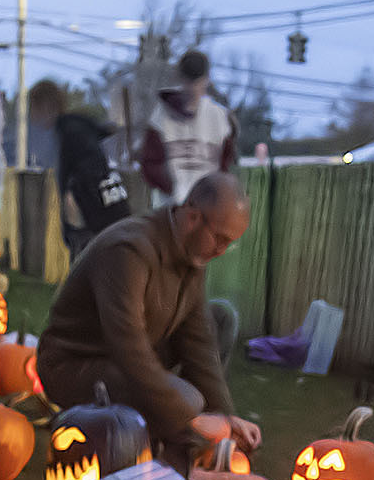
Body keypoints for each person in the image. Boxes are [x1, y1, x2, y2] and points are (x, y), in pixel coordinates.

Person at [39, 172, 261, 462]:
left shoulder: (193, 252)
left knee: (220, 319)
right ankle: (176, 436)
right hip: (76, 366)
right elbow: (128, 349)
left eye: (228, 243)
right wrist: (189, 417)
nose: (221, 251)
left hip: (131, 357)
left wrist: (225, 414)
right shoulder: (128, 251)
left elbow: (198, 340)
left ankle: (186, 432)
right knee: (187, 401)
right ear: (193, 217)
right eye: (219, 239)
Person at [30, 77, 128, 254]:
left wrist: (73, 204)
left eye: (34, 109)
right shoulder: (80, 127)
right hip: (112, 212)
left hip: (94, 220)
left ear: (45, 106)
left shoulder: (69, 132)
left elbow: (85, 172)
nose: (32, 116)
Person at [136, 49, 241, 206]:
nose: (193, 88)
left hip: (209, 208)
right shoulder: (160, 116)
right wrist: (174, 189)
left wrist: (214, 192)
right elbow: (150, 163)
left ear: (206, 80)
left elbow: (228, 164)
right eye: (188, 81)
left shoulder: (220, 118)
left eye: (197, 81)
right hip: (170, 207)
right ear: (180, 79)